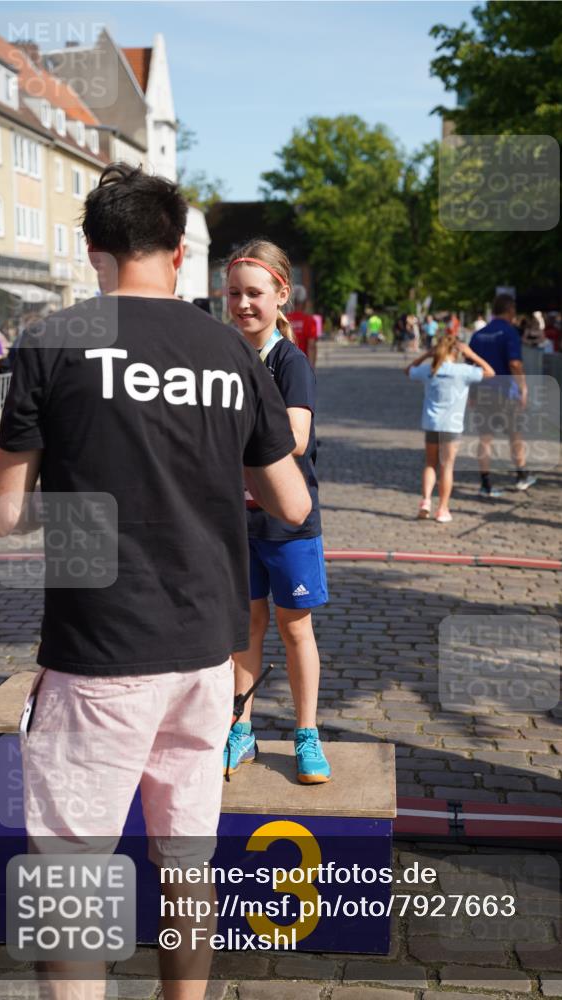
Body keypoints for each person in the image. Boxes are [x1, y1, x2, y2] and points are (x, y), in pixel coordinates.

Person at [0, 164, 311, 1000]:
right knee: (186, 860)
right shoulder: (228, 350)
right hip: (206, 650)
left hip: (100, 649)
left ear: (94, 250)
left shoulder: (53, 339)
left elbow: (4, 514)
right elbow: (291, 500)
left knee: (72, 874)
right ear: (176, 252)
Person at [224, 239, 330, 785]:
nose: (243, 303)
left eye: (254, 294)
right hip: (233, 521)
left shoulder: (290, 361)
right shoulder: (218, 356)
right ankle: (240, 725)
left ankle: (307, 732)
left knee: (295, 630)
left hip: (287, 523)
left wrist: (229, 438)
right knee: (245, 627)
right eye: (234, 293)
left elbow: (295, 436)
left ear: (281, 295)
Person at [407, 334, 494, 522]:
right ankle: (443, 508)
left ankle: (426, 500)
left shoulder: (430, 369)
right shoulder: (463, 371)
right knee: (447, 467)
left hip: (431, 423)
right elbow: (490, 372)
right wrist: (472, 354)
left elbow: (408, 370)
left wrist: (426, 355)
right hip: (452, 426)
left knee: (430, 463)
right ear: (456, 352)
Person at [469, 293, 537, 497]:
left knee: (485, 439)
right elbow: (515, 363)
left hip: (482, 391)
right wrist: (523, 387)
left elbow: (470, 366)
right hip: (506, 393)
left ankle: (485, 483)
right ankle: (521, 476)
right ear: (510, 311)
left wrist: (471, 393)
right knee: (515, 435)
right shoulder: (510, 333)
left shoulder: (478, 334)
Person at [286, 284, 318, 368]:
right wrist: (311, 369)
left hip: (286, 364)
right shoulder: (310, 321)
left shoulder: (284, 320)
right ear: (304, 302)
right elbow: (311, 346)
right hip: (303, 365)